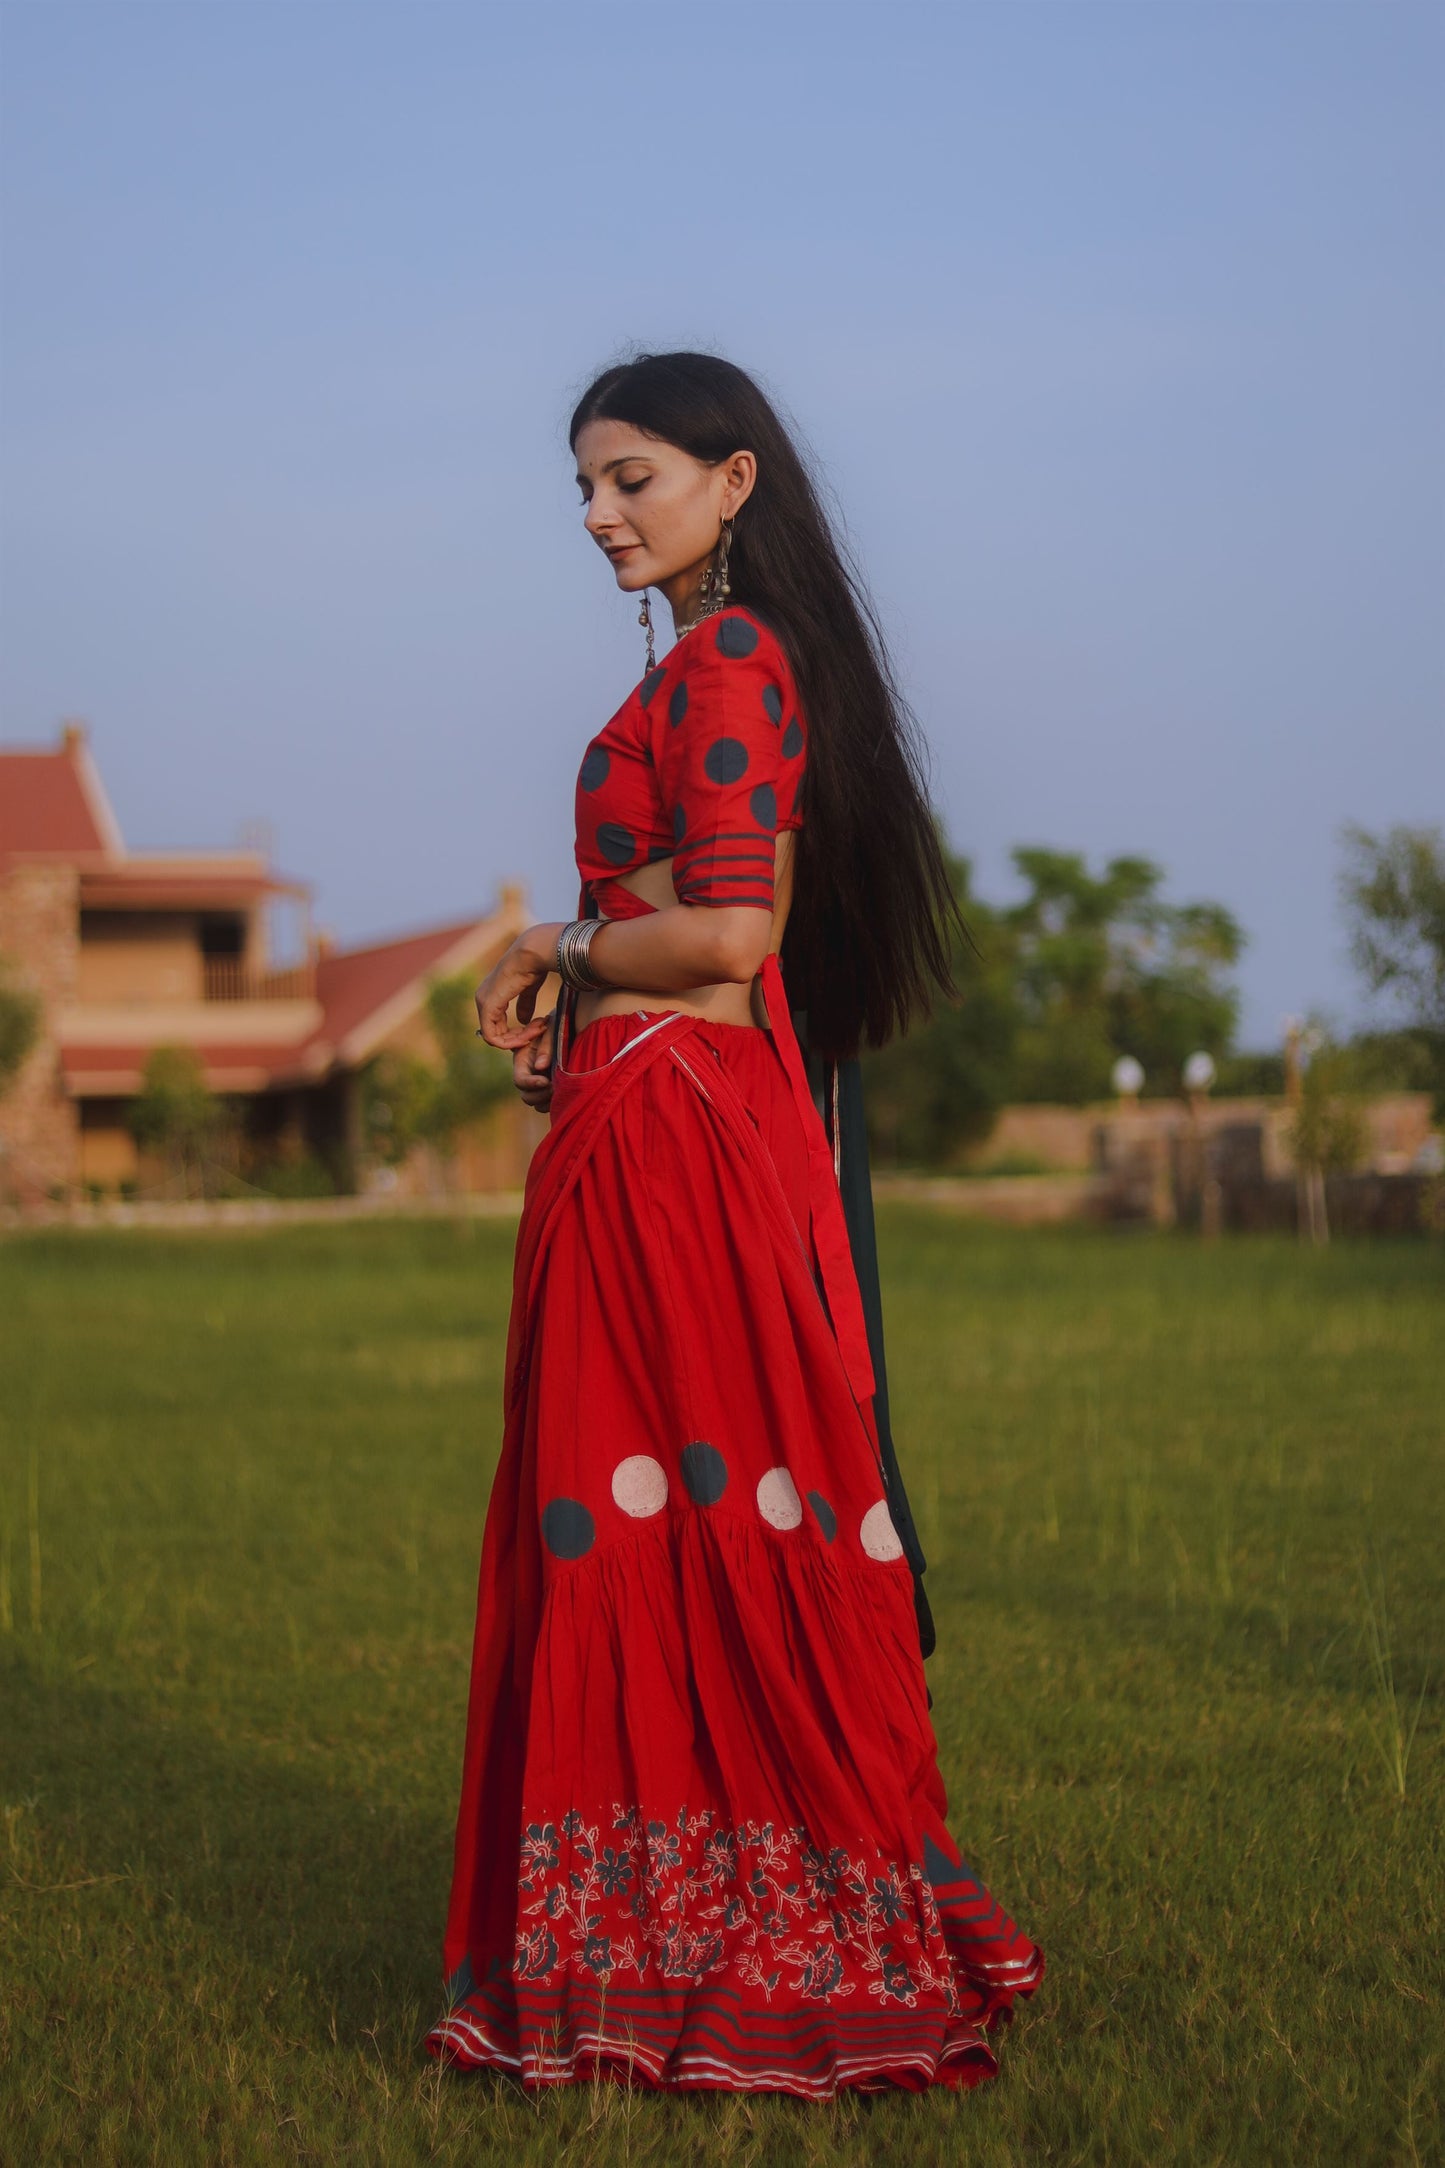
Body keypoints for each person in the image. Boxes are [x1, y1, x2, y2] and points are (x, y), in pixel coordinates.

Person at [425, 352, 1043, 2097]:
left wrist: (556, 951)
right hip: (656, 1131)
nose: (601, 515)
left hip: (676, 1146)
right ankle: (679, 1931)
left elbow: (725, 940)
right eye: (585, 492)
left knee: (676, 1513)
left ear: (733, 481)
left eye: (630, 478)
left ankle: (746, 1938)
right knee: (661, 1514)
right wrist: (574, 973)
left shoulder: (729, 661)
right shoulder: (726, 662)